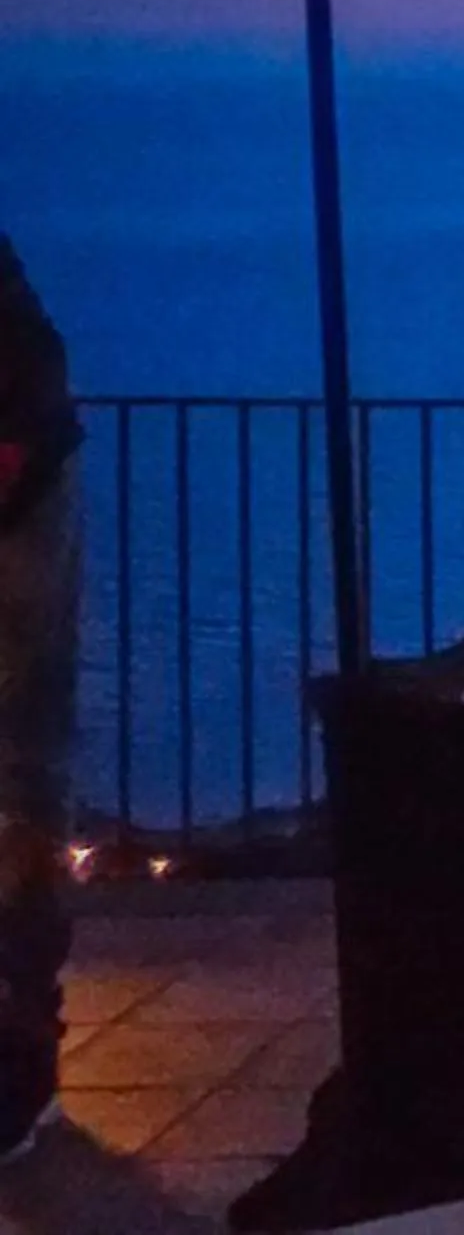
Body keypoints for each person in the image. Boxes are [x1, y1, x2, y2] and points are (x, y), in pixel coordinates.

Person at [0, 238, 79, 1163]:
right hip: (28, 462)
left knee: (21, 769)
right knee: (24, 772)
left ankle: (18, 1057)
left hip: (21, 482)